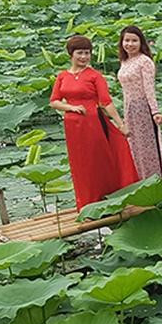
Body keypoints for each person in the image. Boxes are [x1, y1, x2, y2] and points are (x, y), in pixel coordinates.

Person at [48, 35, 139, 209]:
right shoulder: (62, 76)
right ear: (71, 54)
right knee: (79, 163)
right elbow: (54, 101)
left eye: (87, 53)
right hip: (73, 127)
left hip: (93, 124)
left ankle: (105, 199)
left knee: (96, 160)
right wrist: (71, 108)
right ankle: (85, 202)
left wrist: (121, 124)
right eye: (80, 53)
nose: (84, 57)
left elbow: (106, 102)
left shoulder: (95, 76)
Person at [116, 25, 162, 180]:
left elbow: (149, 88)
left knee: (148, 148)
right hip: (129, 108)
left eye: (134, 41)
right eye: (127, 40)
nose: (130, 44)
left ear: (141, 43)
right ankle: (140, 179)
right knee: (134, 146)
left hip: (143, 107)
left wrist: (155, 111)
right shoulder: (125, 61)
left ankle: (154, 179)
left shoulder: (144, 61)